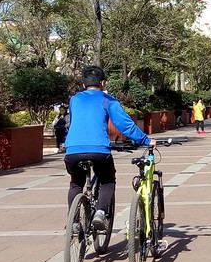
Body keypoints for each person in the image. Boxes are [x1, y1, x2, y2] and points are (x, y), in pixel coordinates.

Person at [64, 65, 153, 231]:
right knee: (108, 180)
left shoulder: (74, 100)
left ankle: (74, 222)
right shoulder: (108, 100)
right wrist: (145, 140)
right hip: (98, 150)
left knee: (76, 183)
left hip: (72, 150)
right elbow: (124, 124)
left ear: (83, 85)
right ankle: (100, 212)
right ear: (103, 83)